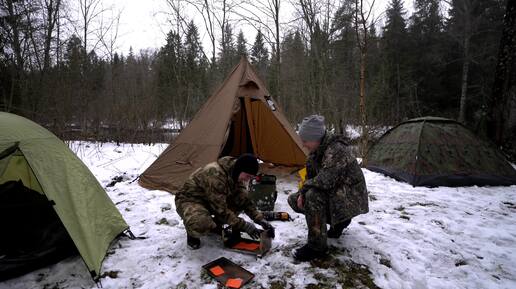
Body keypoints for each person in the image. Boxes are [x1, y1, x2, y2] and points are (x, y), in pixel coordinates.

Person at [288, 115, 369, 261]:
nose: (303, 144)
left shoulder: (336, 150)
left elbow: (325, 180)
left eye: (305, 141)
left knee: (313, 196)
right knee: (295, 199)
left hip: (351, 198)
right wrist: (301, 193)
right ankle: (337, 222)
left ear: (316, 138)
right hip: (336, 193)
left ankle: (317, 247)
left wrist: (305, 191)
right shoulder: (315, 152)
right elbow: (310, 177)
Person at [175, 154, 274, 249]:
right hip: (190, 200)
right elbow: (221, 210)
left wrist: (260, 219)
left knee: (238, 202)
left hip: (211, 201)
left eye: (250, 177)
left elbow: (245, 202)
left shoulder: (237, 176)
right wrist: (244, 226)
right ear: (240, 169)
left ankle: (214, 226)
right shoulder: (215, 174)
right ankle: (192, 230)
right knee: (201, 224)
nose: (247, 180)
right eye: (247, 176)